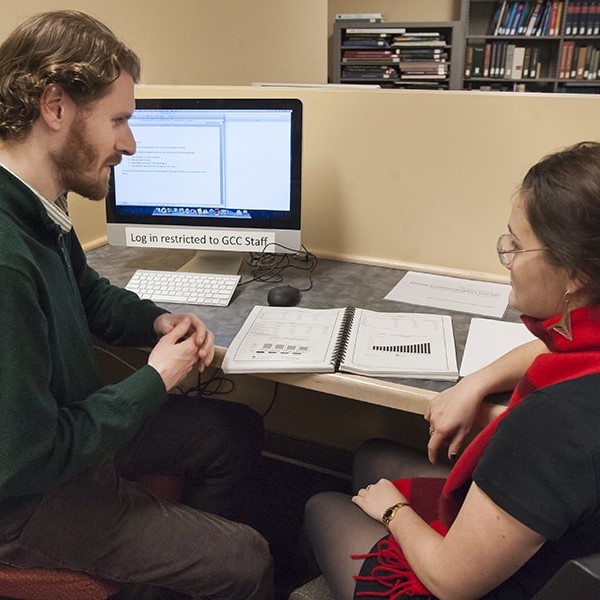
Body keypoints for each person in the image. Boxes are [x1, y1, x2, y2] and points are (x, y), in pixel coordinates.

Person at [0, 10, 273, 599]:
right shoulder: (5, 259)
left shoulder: (36, 203)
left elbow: (89, 294)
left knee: (234, 431)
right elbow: (28, 457)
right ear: (55, 107)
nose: (130, 142)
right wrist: (154, 380)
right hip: (24, 498)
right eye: (119, 119)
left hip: (69, 434)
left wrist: (155, 320)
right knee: (247, 560)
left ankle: (169, 574)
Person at [305, 141, 600, 600]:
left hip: (506, 583)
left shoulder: (551, 425)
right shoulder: (585, 351)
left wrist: (394, 513)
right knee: (370, 457)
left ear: (576, 272)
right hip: (570, 539)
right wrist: (475, 383)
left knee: (323, 505)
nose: (507, 261)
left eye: (517, 247)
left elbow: (452, 582)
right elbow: (548, 353)